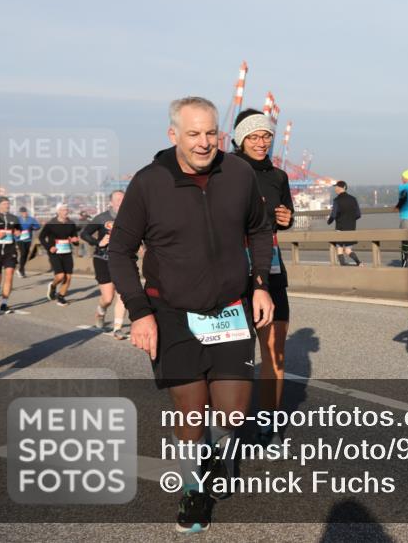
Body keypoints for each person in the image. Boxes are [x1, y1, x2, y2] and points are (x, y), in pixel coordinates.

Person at [108, 97, 273, 533]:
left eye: (211, 133)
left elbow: (259, 228)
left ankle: (214, 457)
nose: (204, 143)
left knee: (233, 414)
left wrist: (260, 284)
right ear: (174, 135)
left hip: (231, 310)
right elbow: (119, 251)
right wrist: (140, 313)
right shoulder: (149, 182)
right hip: (171, 314)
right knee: (191, 412)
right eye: (194, 134)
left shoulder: (238, 173)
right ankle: (194, 491)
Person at [231, 108, 294, 446]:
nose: (261, 142)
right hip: (230, 275)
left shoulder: (278, 177)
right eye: (253, 136)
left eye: (266, 136)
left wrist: (287, 218)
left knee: (274, 353)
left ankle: (269, 426)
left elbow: (285, 215)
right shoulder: (224, 171)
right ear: (240, 139)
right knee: (233, 358)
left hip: (271, 271)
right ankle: (223, 425)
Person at [81, 190, 128, 338]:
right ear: (111, 202)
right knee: (108, 298)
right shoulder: (102, 217)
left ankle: (117, 328)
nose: (121, 202)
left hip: (123, 260)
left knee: (123, 294)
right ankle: (100, 312)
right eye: (117, 199)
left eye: (123, 199)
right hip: (103, 259)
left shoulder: (132, 216)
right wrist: (98, 242)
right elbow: (84, 234)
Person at [39, 203, 80, 306]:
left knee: (68, 277)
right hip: (55, 252)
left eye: (66, 210)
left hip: (67, 252)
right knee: (60, 276)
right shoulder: (51, 224)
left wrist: (75, 241)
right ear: (58, 212)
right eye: (63, 210)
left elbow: (75, 239)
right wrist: (49, 247)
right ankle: (53, 286)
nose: (65, 212)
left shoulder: (71, 223)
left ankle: (61, 297)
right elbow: (41, 237)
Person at [327, 181, 361, 266]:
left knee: (339, 247)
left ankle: (343, 265)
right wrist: (350, 220)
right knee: (348, 249)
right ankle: (359, 263)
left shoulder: (337, 200)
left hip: (340, 228)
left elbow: (333, 214)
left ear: (341, 188)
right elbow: (358, 214)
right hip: (351, 227)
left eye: (336, 187)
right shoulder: (353, 199)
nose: (335, 188)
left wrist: (329, 221)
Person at [15, 206, 40, 278]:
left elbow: (38, 226)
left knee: (26, 254)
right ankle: (21, 270)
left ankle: (21, 269)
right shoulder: (17, 219)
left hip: (28, 239)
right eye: (23, 212)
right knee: (23, 253)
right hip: (19, 239)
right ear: (20, 213)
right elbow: (12, 227)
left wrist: (33, 227)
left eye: (25, 212)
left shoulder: (31, 219)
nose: (24, 213)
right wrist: (16, 231)